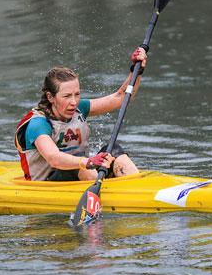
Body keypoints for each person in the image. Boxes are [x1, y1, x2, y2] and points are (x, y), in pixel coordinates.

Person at [15, 47, 148, 181]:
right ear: (50, 97)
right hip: (48, 186)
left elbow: (121, 97)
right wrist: (87, 162)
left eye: (77, 94)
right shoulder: (38, 124)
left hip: (84, 174)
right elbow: (54, 158)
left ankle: (137, 188)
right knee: (79, 167)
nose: (74, 102)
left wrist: (136, 71)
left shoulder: (80, 108)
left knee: (112, 149)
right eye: (66, 96)